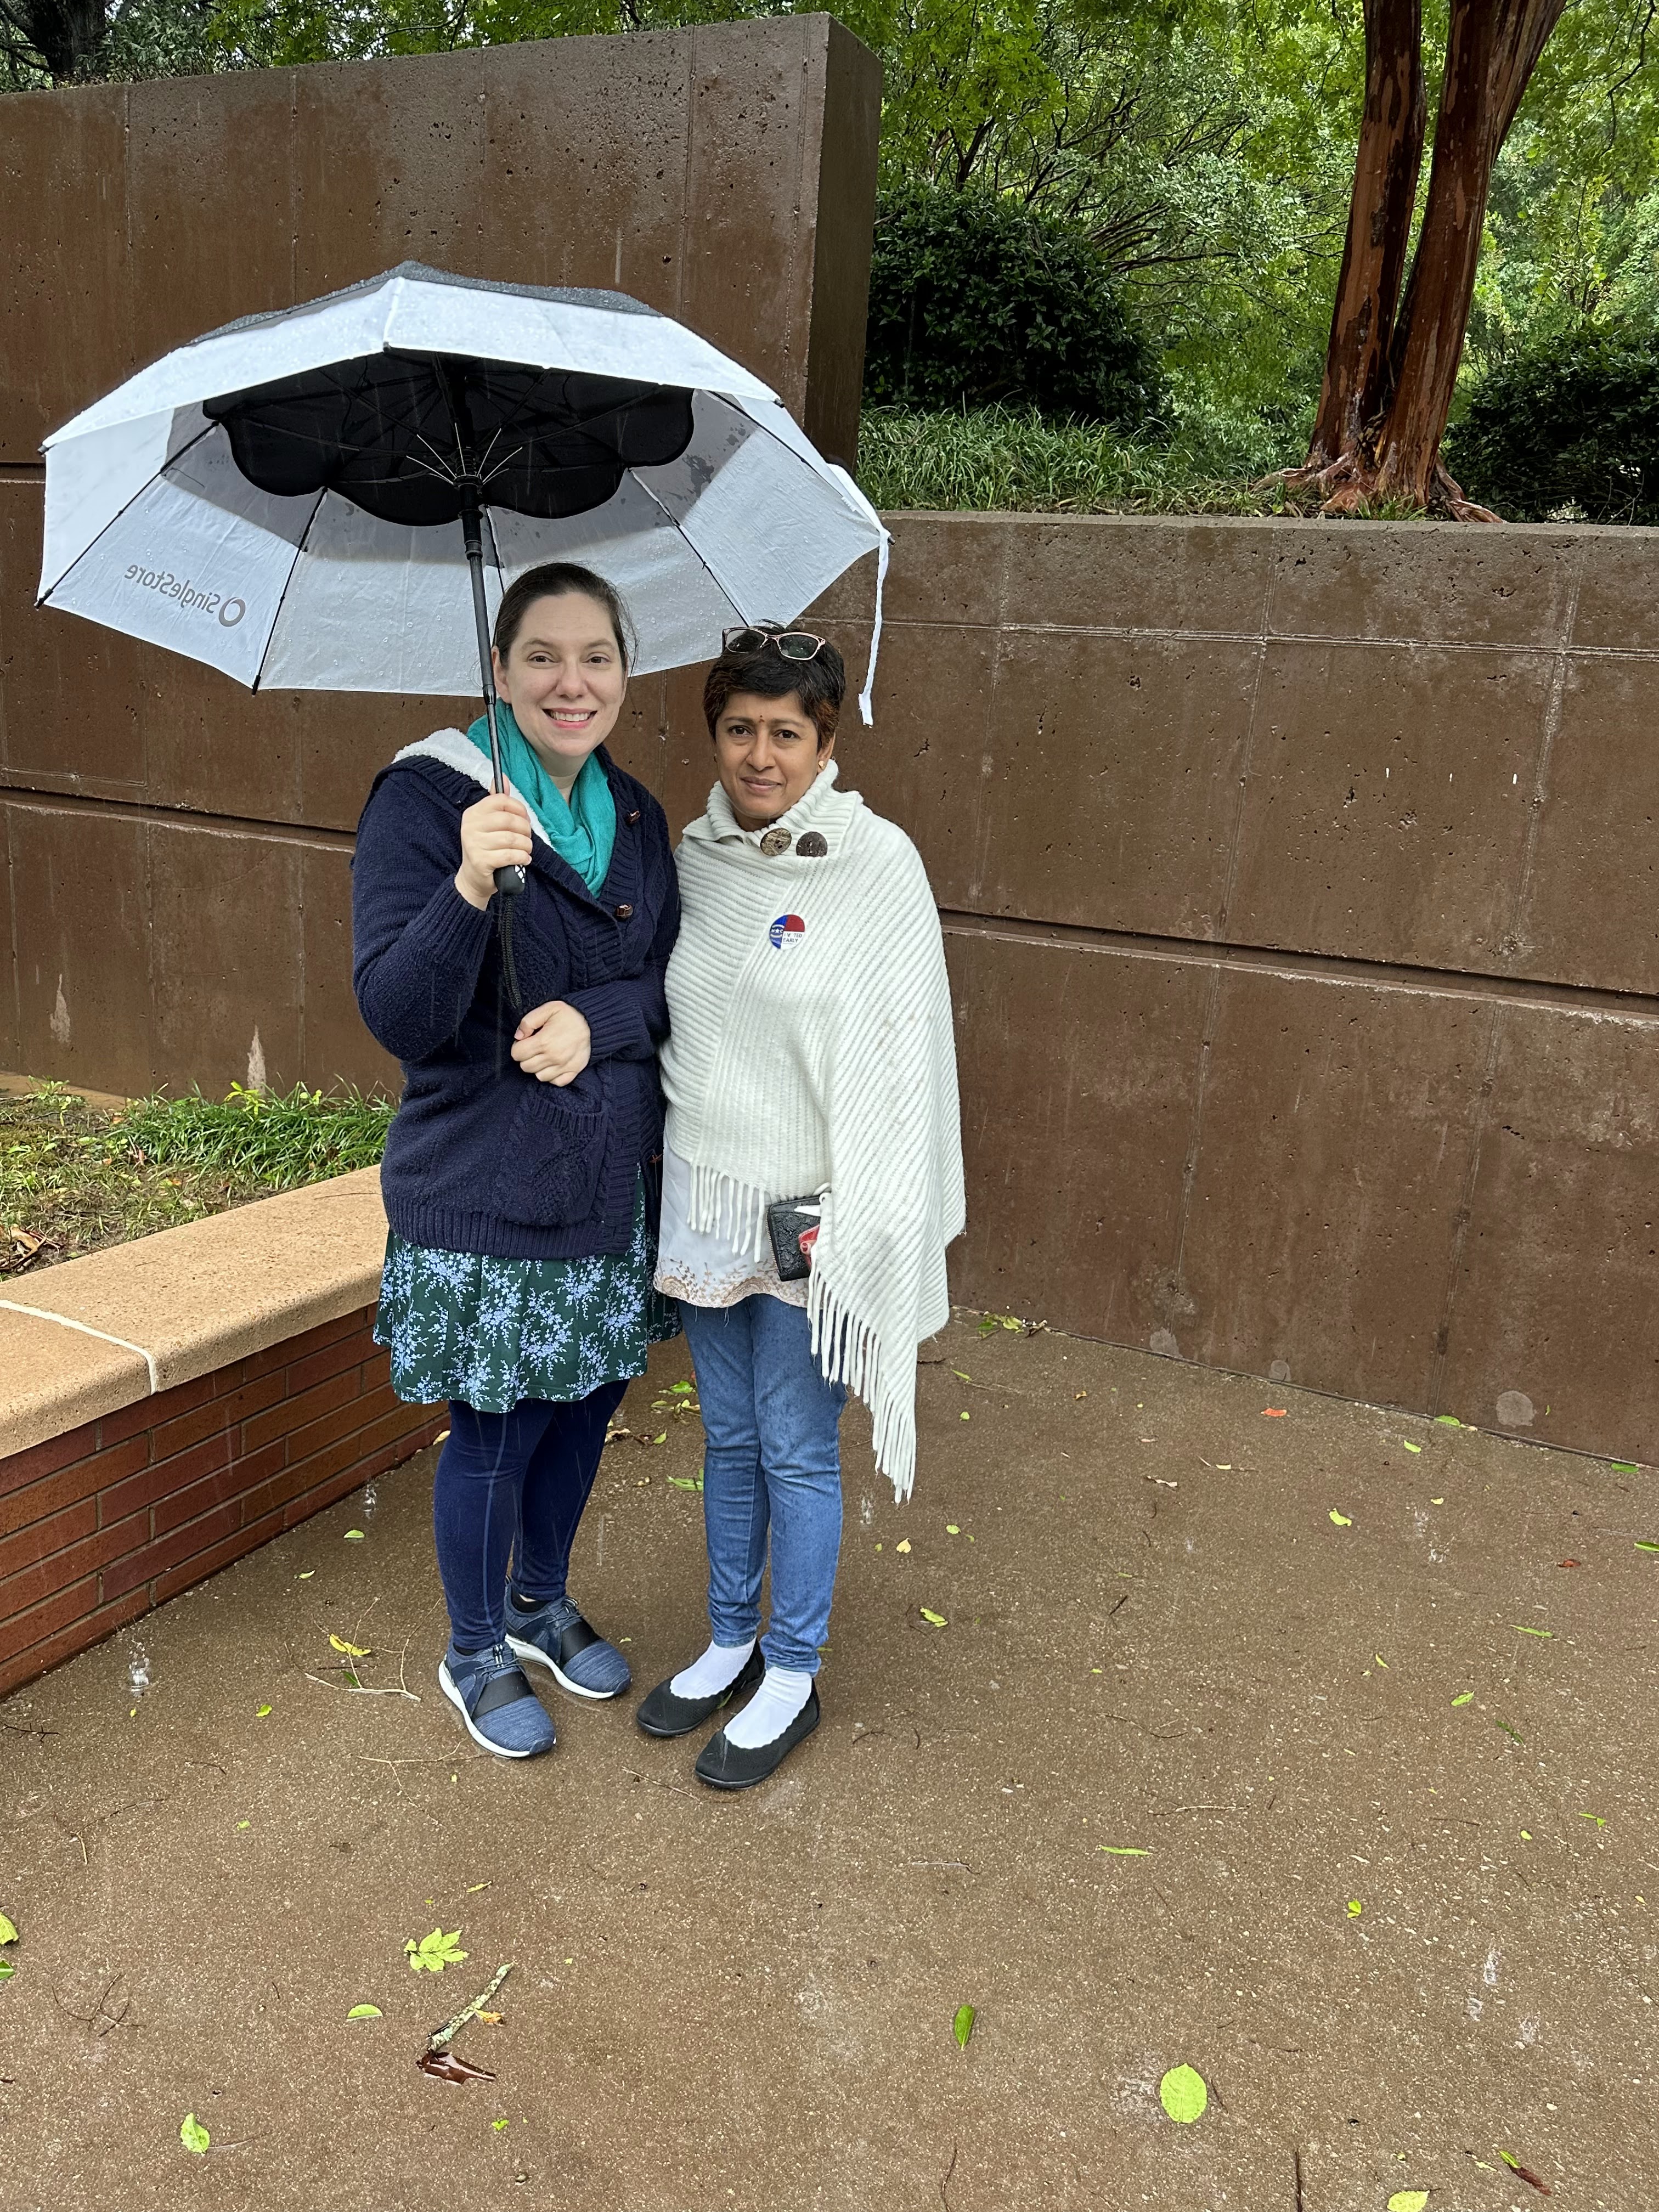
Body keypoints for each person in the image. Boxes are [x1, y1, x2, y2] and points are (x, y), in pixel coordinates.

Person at [352, 562, 679, 1760]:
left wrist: (607, 1022)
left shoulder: (635, 818)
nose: (571, 681)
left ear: (625, 675)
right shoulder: (426, 798)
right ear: (499, 670)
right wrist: (464, 881)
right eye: (542, 655)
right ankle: (475, 1645)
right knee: (494, 1428)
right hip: (482, 1185)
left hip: (603, 1179)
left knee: (589, 1404)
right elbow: (398, 1010)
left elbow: (666, 982)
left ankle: (541, 1600)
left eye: (597, 655)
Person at [639, 624, 964, 1788]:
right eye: (740, 730)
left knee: (794, 1445)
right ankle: (730, 1634)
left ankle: (793, 1666)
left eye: (786, 732)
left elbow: (901, 1055)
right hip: (708, 1200)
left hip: (819, 1218)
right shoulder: (695, 859)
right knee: (726, 1437)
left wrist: (867, 1215)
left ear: (826, 740)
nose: (760, 755)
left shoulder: (875, 866)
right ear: (714, 735)